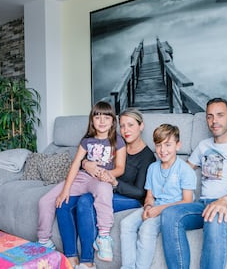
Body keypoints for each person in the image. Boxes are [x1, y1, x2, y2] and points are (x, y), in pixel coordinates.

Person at [160, 97, 227, 269]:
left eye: (220, 115)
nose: (214, 121)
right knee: (170, 215)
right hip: (203, 204)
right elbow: (183, 172)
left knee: (215, 218)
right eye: (210, 116)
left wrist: (224, 201)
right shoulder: (203, 145)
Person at [56, 108, 156, 269]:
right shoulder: (115, 146)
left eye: (130, 125)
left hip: (130, 199)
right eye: (122, 126)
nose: (125, 130)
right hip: (102, 189)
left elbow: (140, 193)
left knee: (85, 201)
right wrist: (85, 164)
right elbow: (94, 159)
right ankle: (71, 257)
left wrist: (115, 183)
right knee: (63, 204)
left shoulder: (147, 156)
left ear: (141, 126)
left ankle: (87, 261)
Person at [37, 101, 126, 261]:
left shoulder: (118, 141)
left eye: (107, 117)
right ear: (92, 121)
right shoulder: (87, 140)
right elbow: (76, 164)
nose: (102, 121)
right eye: (97, 117)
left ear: (113, 121)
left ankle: (104, 237)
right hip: (82, 177)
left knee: (104, 190)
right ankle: (44, 240)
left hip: (100, 179)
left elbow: (120, 168)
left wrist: (107, 175)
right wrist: (65, 190)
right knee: (45, 200)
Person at [120, 123, 196, 269]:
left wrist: (158, 210)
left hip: (173, 210)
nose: (163, 150)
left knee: (147, 228)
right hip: (155, 206)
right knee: (126, 224)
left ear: (178, 146)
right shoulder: (153, 168)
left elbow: (187, 201)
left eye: (168, 145)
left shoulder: (185, 170)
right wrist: (148, 206)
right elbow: (149, 196)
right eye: (159, 145)